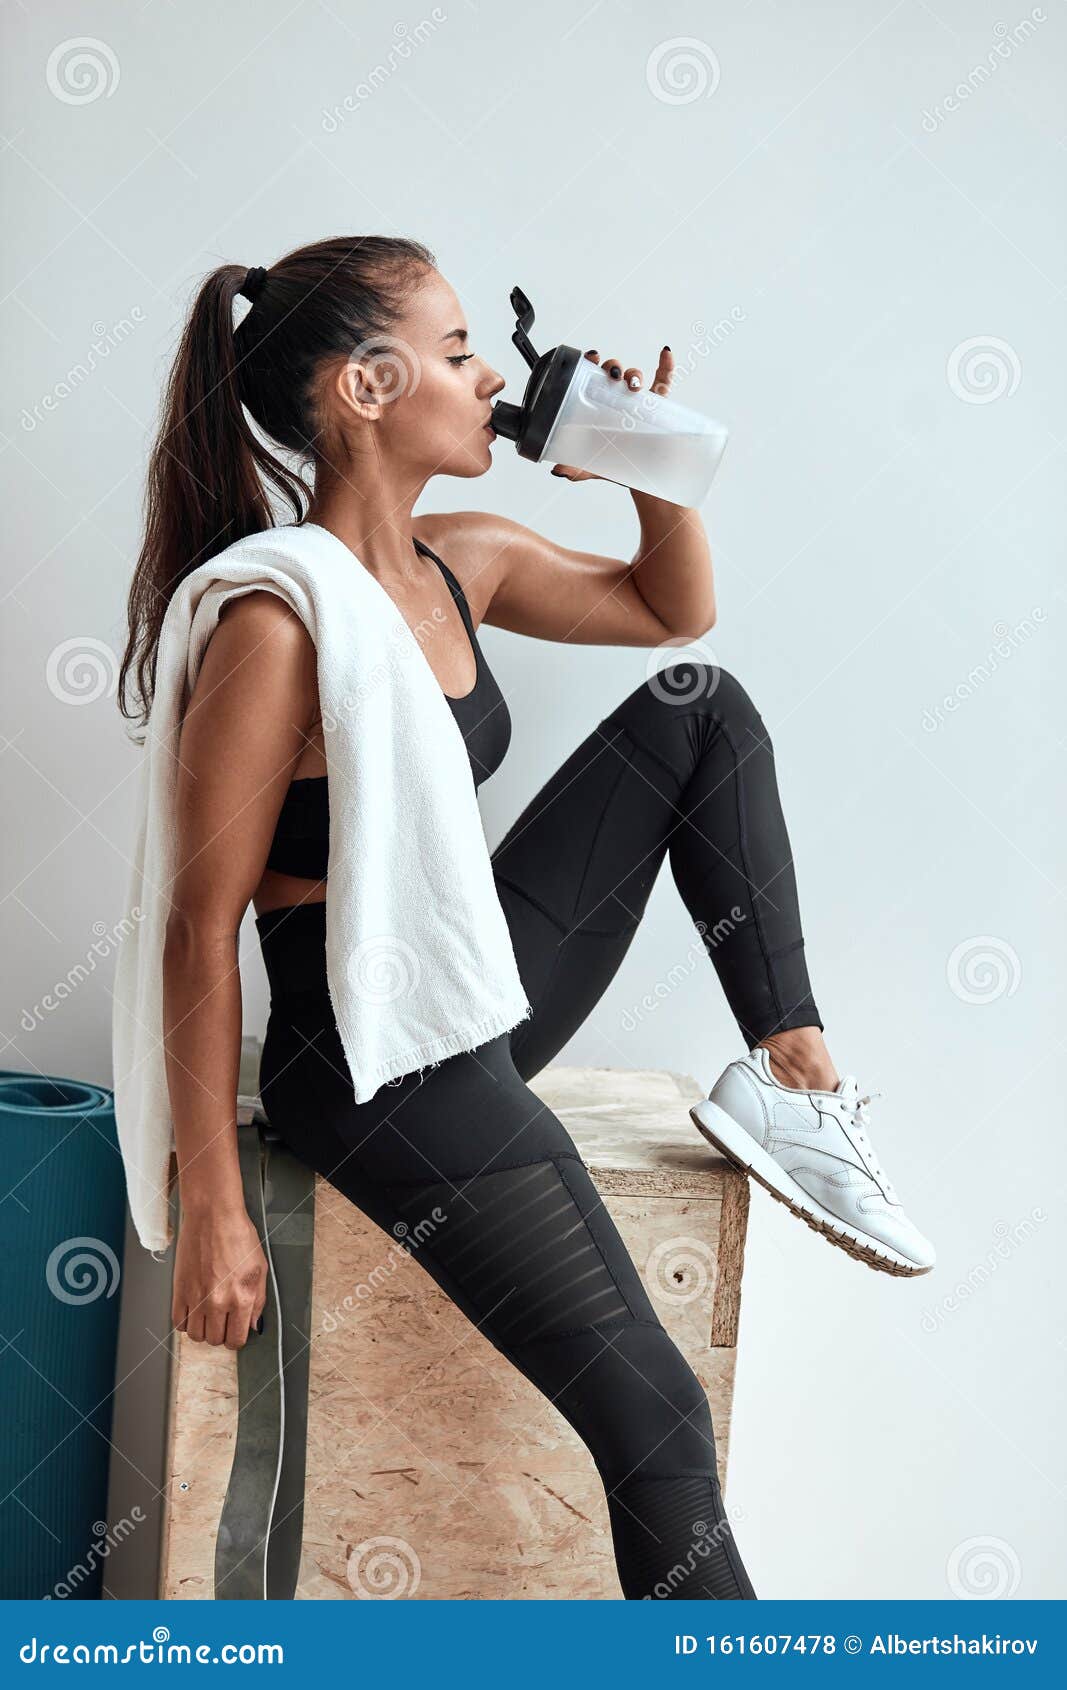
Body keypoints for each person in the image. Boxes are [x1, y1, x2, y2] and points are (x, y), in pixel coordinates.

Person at [117, 235, 934, 1601]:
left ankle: (795, 1075)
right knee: (659, 1420)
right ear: (367, 391)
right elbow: (199, 926)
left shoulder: (461, 563)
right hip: (373, 1059)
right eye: (454, 351)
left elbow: (675, 610)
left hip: (463, 984)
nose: (491, 376)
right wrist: (214, 1197)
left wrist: (648, 467)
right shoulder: (282, 621)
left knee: (702, 712)